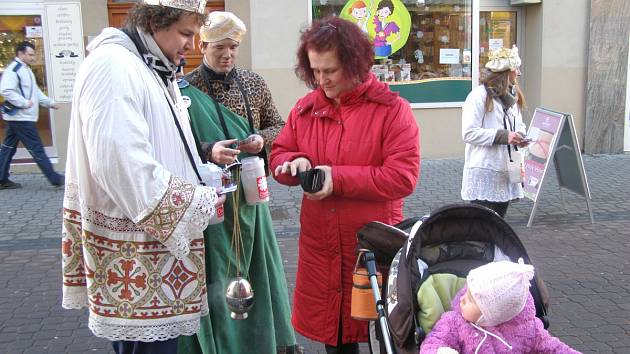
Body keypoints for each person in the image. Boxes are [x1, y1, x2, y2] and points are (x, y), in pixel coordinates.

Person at [61, 1, 225, 354]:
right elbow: (120, 164)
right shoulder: (113, 66)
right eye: (185, 33)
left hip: (150, 249)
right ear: (153, 21)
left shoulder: (146, 64)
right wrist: (195, 201)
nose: (190, 45)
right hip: (135, 253)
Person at [271, 16, 420, 354]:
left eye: (330, 71)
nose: (321, 80)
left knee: (385, 335)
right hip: (321, 248)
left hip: (372, 248)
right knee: (335, 339)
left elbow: (402, 177)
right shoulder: (305, 110)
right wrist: (294, 164)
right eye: (315, 71)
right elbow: (279, 155)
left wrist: (335, 178)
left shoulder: (393, 111)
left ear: (354, 64)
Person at [177, 11, 301, 354]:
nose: (227, 54)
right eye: (220, 47)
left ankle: (259, 339)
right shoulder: (186, 88)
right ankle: (218, 342)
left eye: (232, 47)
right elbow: (178, 143)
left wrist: (261, 140)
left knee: (256, 266)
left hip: (250, 191)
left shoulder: (253, 83)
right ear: (202, 45)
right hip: (210, 196)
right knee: (215, 268)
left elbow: (279, 126)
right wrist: (207, 150)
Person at [420, 260, 580, 353]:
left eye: (470, 299)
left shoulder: (528, 329)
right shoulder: (454, 322)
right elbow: (435, 342)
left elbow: (552, 348)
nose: (461, 299)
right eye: (465, 292)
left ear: (491, 314)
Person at [461, 45, 528, 218]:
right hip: (486, 170)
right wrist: (503, 136)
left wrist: (520, 136)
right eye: (515, 69)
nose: (519, 73)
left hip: (505, 170)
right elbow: (468, 133)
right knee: (483, 227)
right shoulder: (479, 96)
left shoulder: (512, 96)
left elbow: (518, 124)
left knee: (497, 225)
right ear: (506, 72)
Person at [0, 41, 64, 189]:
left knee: (8, 148)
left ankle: (1, 178)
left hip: (19, 118)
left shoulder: (25, 70)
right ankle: (54, 178)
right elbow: (5, 90)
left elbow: (35, 92)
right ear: (20, 54)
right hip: (21, 118)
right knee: (36, 148)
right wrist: (24, 103)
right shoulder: (14, 70)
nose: (33, 57)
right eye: (30, 54)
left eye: (33, 54)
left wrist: (50, 103)